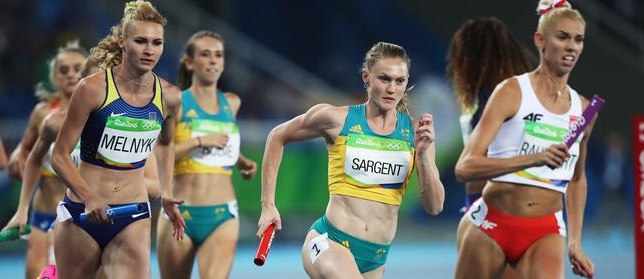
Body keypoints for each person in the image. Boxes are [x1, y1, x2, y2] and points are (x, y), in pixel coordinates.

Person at [256, 42, 445, 278]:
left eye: (400, 81)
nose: (392, 89)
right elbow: (277, 136)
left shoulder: (417, 132)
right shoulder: (336, 118)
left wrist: (425, 154)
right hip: (330, 242)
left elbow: (435, 206)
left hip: (376, 256)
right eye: (384, 79)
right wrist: (268, 205)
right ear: (366, 77)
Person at [454, 1, 596, 278]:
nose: (572, 46)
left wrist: (576, 242)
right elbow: (464, 167)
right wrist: (535, 158)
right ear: (540, 40)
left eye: (578, 39)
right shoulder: (511, 91)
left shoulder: (584, 110)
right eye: (563, 36)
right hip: (492, 223)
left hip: (546, 231)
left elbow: (577, 179)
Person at [50, 1, 185, 278]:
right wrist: (89, 198)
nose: (150, 50)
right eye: (141, 41)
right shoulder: (91, 89)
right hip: (81, 215)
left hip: (132, 215)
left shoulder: (170, 96)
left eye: (157, 42)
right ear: (123, 41)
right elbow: (59, 156)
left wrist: (167, 191)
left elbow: (166, 143)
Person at [156, 31, 257, 279]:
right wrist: (198, 141)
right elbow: (159, 153)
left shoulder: (231, 103)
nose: (213, 61)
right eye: (205, 54)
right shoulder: (176, 102)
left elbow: (223, 145)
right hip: (180, 213)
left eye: (218, 55)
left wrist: (241, 160)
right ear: (190, 63)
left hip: (223, 215)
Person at [446, 17, 532, 279]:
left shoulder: (493, 103)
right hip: (512, 210)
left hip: (494, 211)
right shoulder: (523, 95)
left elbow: (475, 165)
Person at [2, 41, 87, 279]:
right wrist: (19, 152)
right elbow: (29, 147)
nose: (71, 74)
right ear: (54, 78)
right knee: (35, 274)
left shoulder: (98, 113)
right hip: (43, 213)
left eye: (77, 68)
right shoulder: (43, 114)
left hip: (79, 215)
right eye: (64, 70)